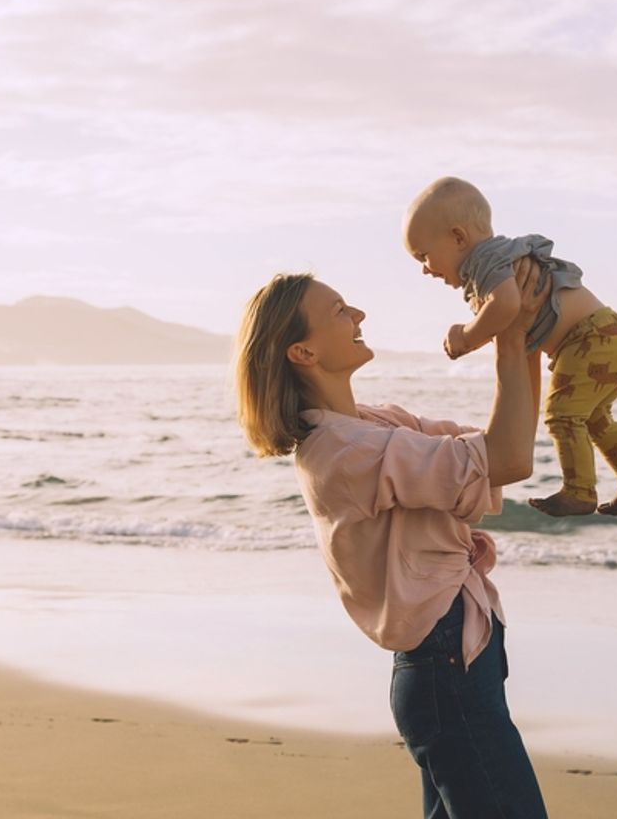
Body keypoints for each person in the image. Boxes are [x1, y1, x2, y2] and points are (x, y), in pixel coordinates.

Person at [234, 265, 550, 818]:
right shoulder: (347, 449)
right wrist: (508, 331)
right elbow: (509, 458)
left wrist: (527, 328)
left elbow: (505, 441)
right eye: (339, 311)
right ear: (303, 352)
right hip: (444, 669)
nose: (358, 315)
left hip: (455, 661)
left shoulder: (373, 424)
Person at [403, 176, 617, 517]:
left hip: (589, 338)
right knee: (594, 418)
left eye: (424, 255)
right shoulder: (499, 260)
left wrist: (466, 336)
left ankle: (580, 491)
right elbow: (511, 321)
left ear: (459, 237)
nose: (424, 269)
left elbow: (507, 305)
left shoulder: (485, 261)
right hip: (607, 335)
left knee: (562, 416)